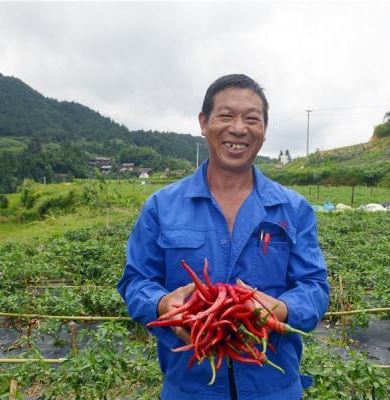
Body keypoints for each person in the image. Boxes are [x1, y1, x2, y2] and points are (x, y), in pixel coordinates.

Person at [118, 74, 329, 400]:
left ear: (264, 130)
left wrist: (282, 310)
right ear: (204, 123)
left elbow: (314, 287)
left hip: (274, 389)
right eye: (226, 116)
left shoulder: (293, 209)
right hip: (188, 386)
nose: (239, 128)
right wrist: (162, 304)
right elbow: (135, 282)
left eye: (252, 119)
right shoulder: (161, 207)